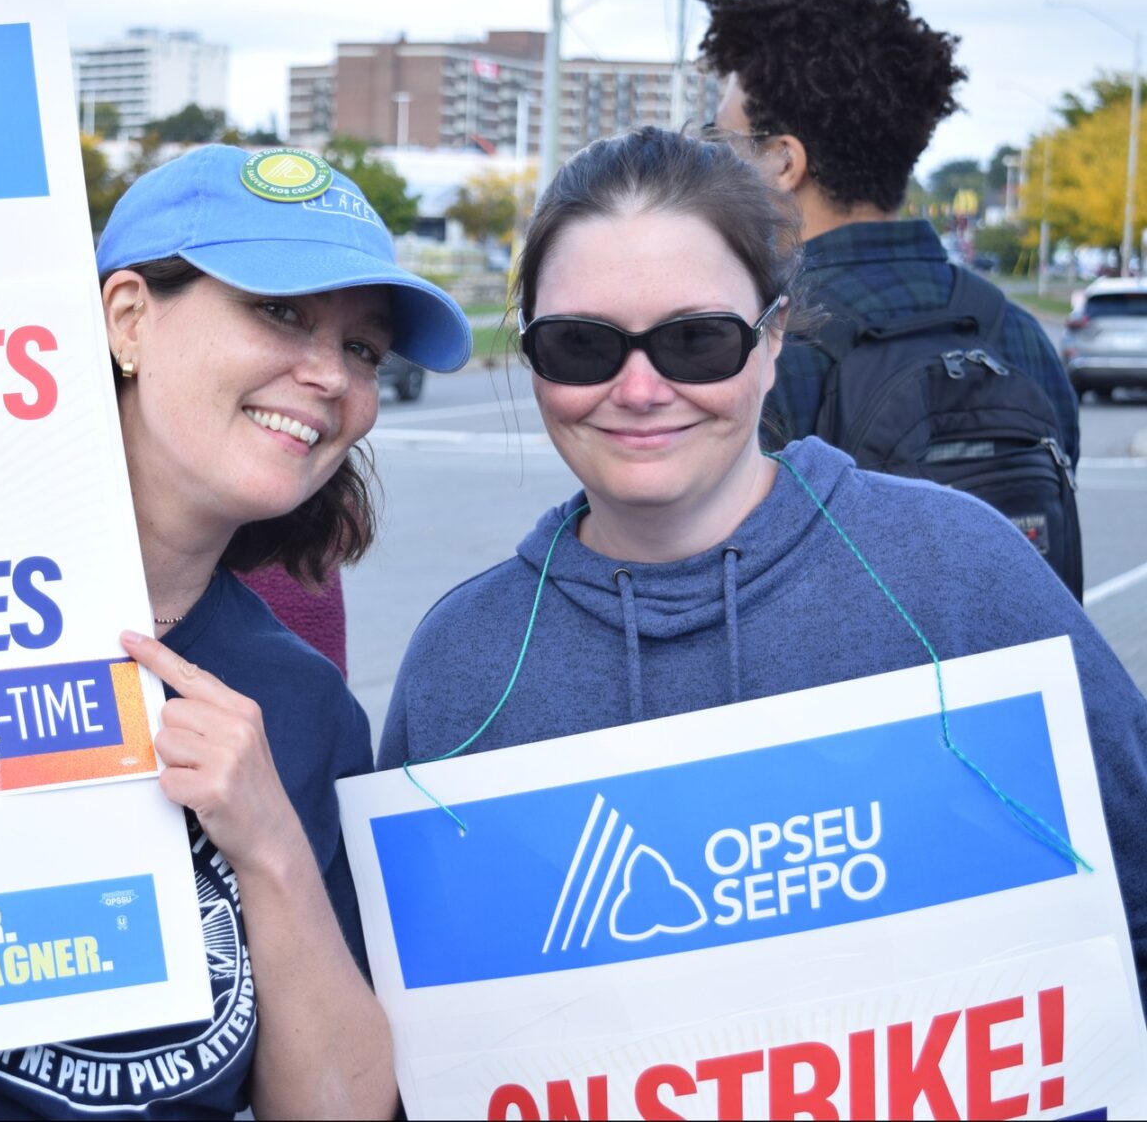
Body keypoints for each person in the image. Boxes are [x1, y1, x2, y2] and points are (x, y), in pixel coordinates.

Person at [0, 144, 470, 1120]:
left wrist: (269, 840)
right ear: (127, 319)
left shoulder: (299, 706)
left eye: (363, 349)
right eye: (280, 311)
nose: (329, 375)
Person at [378, 128, 1147, 1002]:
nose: (638, 390)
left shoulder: (959, 572)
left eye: (696, 341)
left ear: (774, 337)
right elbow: (428, 1020)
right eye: (582, 346)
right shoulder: (462, 664)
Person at [697, 0, 1085, 593]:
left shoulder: (763, 347)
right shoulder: (1017, 334)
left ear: (783, 163)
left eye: (722, 142)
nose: (714, 163)